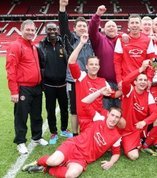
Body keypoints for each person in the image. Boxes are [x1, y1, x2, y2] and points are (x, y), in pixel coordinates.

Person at [22, 89, 125, 178]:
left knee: (71, 175)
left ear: (119, 119)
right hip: (73, 145)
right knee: (52, 161)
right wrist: (99, 92)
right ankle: (40, 161)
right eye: (112, 115)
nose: (114, 119)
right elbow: (84, 102)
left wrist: (111, 162)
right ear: (108, 114)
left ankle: (45, 169)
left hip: (83, 158)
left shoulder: (116, 137)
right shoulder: (99, 118)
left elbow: (116, 153)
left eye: (117, 117)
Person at [5, 19, 48, 154]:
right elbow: (11, 68)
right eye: (27, 30)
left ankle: (37, 137)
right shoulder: (16, 45)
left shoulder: (33, 46)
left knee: (37, 115)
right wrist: (14, 91)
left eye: (32, 30)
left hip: (36, 87)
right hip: (23, 87)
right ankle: (20, 141)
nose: (30, 32)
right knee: (21, 116)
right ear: (21, 30)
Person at [59, 0, 95, 136]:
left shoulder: (92, 41)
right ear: (74, 29)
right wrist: (62, 7)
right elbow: (62, 25)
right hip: (73, 80)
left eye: (84, 26)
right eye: (79, 26)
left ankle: (89, 131)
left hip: (89, 80)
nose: (82, 28)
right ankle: (75, 134)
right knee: (74, 109)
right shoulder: (69, 39)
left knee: (89, 106)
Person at [68, 33, 112, 133]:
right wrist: (81, 43)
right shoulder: (81, 76)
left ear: (99, 67)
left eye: (96, 64)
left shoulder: (103, 81)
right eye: (91, 64)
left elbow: (113, 94)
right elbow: (71, 62)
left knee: (117, 121)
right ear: (86, 67)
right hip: (85, 118)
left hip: (99, 115)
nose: (94, 66)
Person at [37, 23, 73, 145]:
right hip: (49, 85)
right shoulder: (41, 46)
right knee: (50, 110)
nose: (52, 31)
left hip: (63, 84)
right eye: (49, 29)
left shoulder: (63, 43)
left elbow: (70, 59)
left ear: (57, 30)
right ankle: (53, 132)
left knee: (64, 108)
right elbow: (40, 65)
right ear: (46, 31)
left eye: (54, 29)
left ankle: (64, 129)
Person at [120, 60, 157, 160]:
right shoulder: (129, 91)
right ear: (135, 82)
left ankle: (145, 144)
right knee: (134, 156)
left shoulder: (148, 95)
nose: (143, 82)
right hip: (128, 130)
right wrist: (141, 69)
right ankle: (128, 142)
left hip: (140, 128)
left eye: (145, 80)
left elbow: (155, 113)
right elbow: (125, 81)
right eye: (140, 80)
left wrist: (144, 122)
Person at [88, 5, 120, 110]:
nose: (111, 28)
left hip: (121, 83)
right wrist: (97, 15)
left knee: (120, 113)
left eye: (113, 26)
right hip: (104, 83)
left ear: (117, 29)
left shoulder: (123, 41)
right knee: (105, 112)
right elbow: (92, 30)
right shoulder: (100, 41)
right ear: (104, 30)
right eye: (108, 26)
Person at [114, 14, 156, 87]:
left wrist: (149, 79)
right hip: (126, 79)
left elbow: (154, 61)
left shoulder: (148, 40)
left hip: (142, 81)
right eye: (132, 23)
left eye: (136, 23)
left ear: (140, 25)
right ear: (128, 25)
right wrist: (119, 80)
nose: (134, 25)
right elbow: (117, 61)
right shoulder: (121, 40)